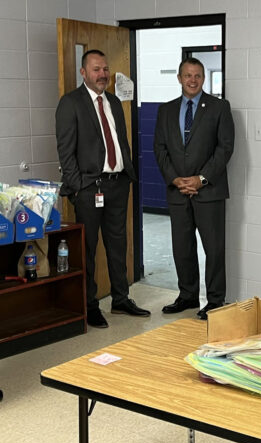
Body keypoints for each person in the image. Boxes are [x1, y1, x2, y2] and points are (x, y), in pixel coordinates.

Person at [56, 49, 151, 329]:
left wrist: (126, 174)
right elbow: (65, 151)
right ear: (83, 73)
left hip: (117, 186)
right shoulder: (70, 103)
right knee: (87, 249)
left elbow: (119, 141)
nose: (103, 75)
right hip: (88, 189)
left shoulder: (113, 101)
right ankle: (90, 305)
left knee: (118, 245)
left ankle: (121, 299)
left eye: (106, 69)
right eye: (96, 69)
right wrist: (76, 187)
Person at [154, 57, 235, 320]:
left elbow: (225, 149)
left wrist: (201, 179)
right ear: (179, 78)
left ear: (203, 78)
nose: (193, 80)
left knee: (214, 248)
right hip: (178, 191)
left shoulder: (219, 107)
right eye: (188, 75)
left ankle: (215, 300)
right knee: (182, 247)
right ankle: (187, 296)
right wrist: (175, 179)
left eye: (198, 75)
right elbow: (160, 149)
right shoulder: (165, 110)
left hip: (208, 192)